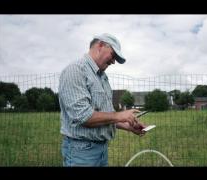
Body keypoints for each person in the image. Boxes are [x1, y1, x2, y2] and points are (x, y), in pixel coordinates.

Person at [58, 33, 147, 167]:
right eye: (113, 55)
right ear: (100, 45)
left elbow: (107, 117)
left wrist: (129, 127)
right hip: (81, 152)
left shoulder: (102, 78)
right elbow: (83, 116)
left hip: (101, 150)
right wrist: (119, 115)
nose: (113, 61)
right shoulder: (75, 70)